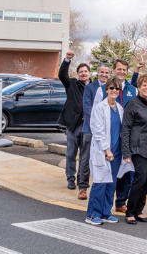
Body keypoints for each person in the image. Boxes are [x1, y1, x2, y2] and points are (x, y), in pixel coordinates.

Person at [120, 73, 147, 225]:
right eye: (144, 85)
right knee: (140, 179)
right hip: (138, 149)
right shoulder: (132, 104)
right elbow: (125, 129)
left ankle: (139, 210)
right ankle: (130, 211)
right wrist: (126, 152)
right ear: (139, 87)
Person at [86, 77, 124, 225]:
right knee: (100, 183)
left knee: (111, 184)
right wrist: (107, 150)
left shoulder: (119, 108)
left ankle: (106, 213)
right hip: (103, 151)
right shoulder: (99, 108)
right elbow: (98, 131)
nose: (114, 90)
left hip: (116, 152)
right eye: (111, 88)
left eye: (117, 88)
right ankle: (92, 214)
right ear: (106, 89)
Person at [58, 51, 90, 193]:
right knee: (71, 154)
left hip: (87, 126)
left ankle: (81, 179)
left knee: (85, 156)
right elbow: (62, 75)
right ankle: (70, 178)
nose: (83, 73)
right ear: (78, 74)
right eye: (81, 72)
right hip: (72, 125)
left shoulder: (93, 87)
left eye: (85, 71)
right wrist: (67, 60)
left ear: (89, 73)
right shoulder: (71, 84)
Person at [108, 59, 137, 214]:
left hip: (127, 136)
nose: (122, 72)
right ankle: (106, 203)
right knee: (110, 170)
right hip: (111, 135)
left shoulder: (133, 90)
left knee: (125, 169)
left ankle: (120, 202)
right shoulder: (108, 88)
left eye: (124, 69)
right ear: (114, 70)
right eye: (119, 69)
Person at [80, 63, 111, 200]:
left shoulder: (111, 88)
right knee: (86, 158)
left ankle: (103, 187)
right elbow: (87, 108)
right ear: (97, 73)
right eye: (102, 72)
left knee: (105, 158)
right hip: (90, 128)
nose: (104, 75)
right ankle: (83, 187)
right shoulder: (89, 87)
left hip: (106, 130)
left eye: (106, 73)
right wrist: (97, 122)